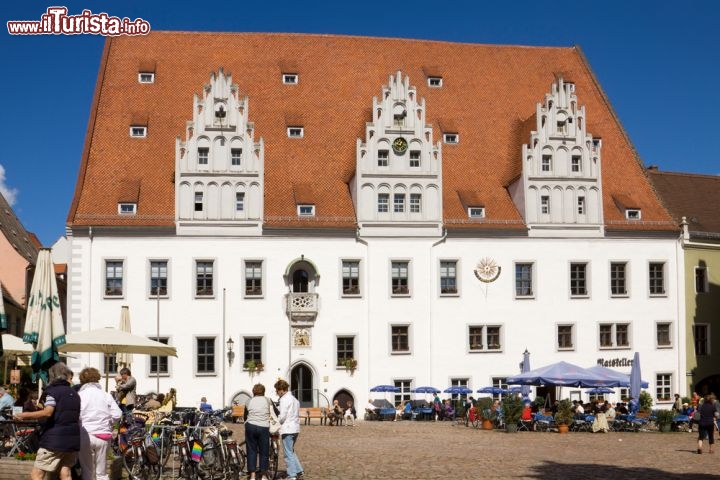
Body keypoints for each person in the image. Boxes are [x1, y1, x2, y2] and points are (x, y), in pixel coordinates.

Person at [14, 362, 81, 480]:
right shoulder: (74, 394)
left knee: (37, 473)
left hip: (54, 440)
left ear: (52, 376)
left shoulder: (52, 392)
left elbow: (48, 412)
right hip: (72, 440)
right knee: (66, 473)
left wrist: (26, 415)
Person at [77, 367, 122, 480]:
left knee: (87, 472)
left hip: (85, 435)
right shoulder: (105, 395)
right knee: (101, 474)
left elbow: (76, 415)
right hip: (103, 436)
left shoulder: (80, 395)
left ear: (82, 380)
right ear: (97, 378)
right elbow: (117, 414)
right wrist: (108, 423)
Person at [274, 379, 304, 480]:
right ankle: (299, 470)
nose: (276, 392)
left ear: (281, 390)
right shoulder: (295, 399)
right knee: (291, 451)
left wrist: (275, 422)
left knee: (287, 453)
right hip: (295, 428)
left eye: (277, 390)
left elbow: (282, 416)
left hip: (288, 429)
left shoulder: (284, 399)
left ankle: (292, 475)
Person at [243, 383, 272, 480]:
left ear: (253, 392)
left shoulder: (249, 401)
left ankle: (252, 475)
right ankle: (263, 475)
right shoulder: (268, 400)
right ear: (263, 392)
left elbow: (245, 416)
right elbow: (275, 413)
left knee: (251, 450)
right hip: (263, 427)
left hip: (250, 426)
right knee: (264, 451)